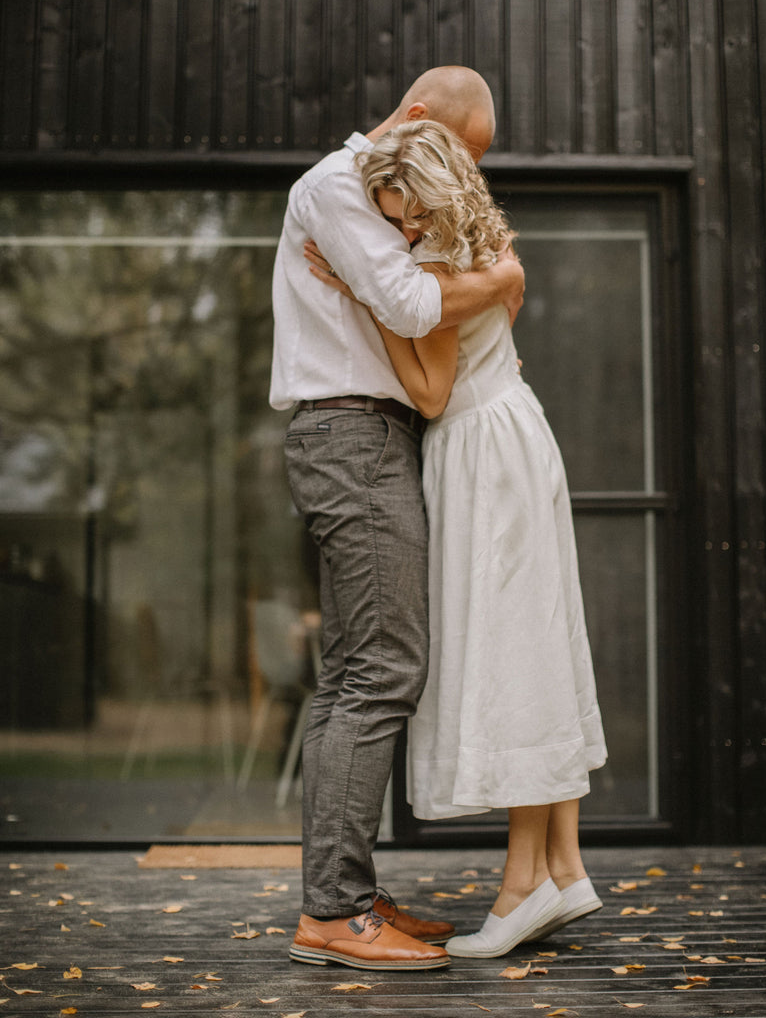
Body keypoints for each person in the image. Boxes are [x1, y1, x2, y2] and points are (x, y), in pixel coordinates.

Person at [310, 119, 608, 959]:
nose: (398, 231)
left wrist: (365, 303)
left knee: (514, 651)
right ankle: (562, 864)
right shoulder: (486, 236)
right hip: (515, 431)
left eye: (405, 213)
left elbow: (432, 393)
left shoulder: (435, 263)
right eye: (388, 216)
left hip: (477, 446)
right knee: (540, 641)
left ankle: (524, 886)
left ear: (435, 199)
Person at [269, 68, 526, 972]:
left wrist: (487, 276)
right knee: (381, 667)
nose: (451, 181)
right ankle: (334, 911)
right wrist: (499, 277)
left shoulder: (377, 199)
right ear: (418, 121)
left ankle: (345, 893)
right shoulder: (336, 186)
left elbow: (415, 326)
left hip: (370, 435)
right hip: (349, 435)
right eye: (455, 152)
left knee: (356, 669)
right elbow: (415, 304)